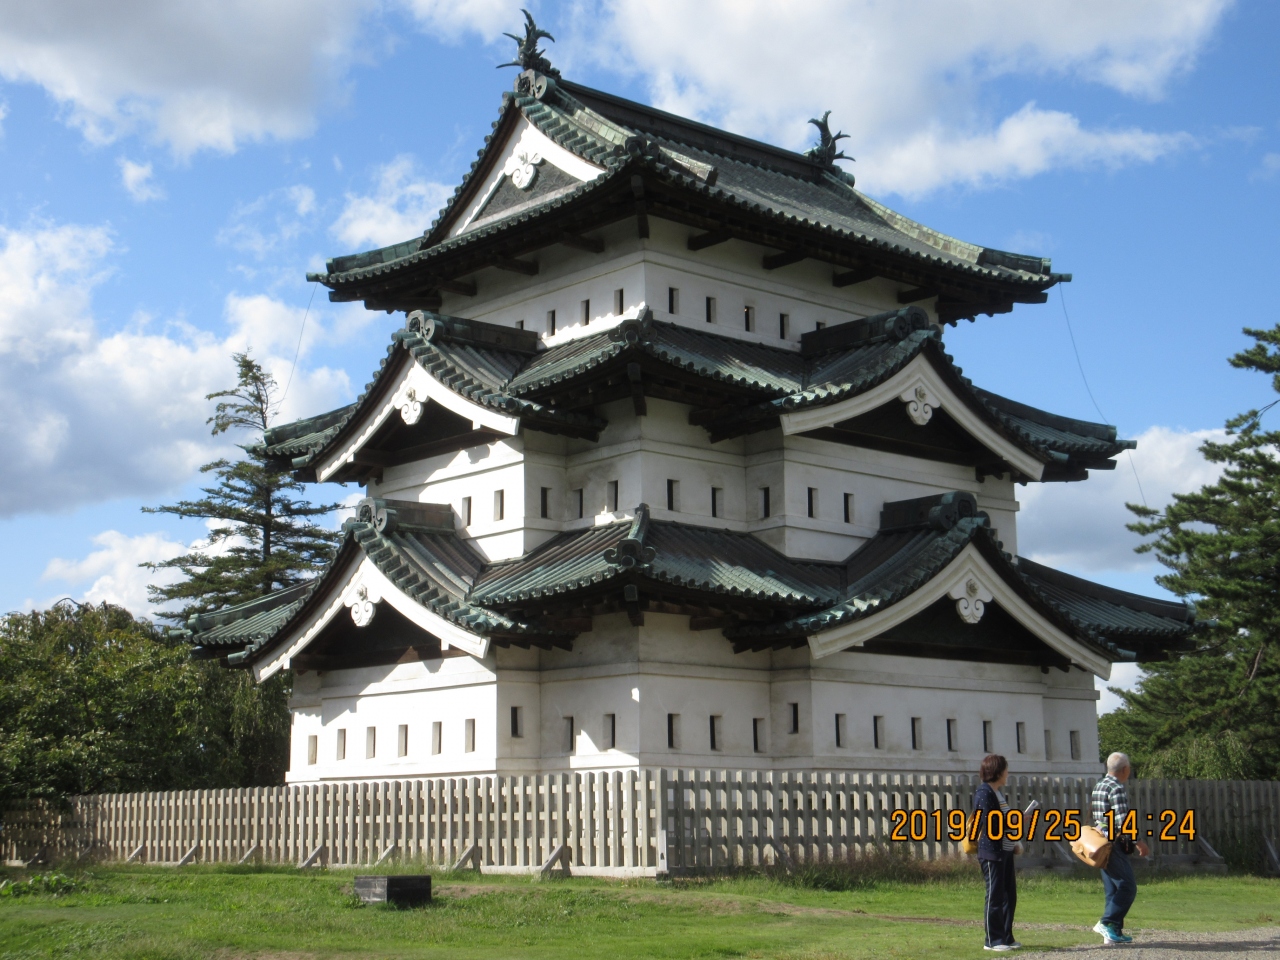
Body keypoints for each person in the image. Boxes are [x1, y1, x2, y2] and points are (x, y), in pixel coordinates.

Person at [1091, 752, 1149, 945]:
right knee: (1128, 886)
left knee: (1112, 889)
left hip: (1100, 843)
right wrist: (1138, 842)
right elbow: (1123, 821)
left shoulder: (1099, 785)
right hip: (1114, 843)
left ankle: (1113, 932)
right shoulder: (1116, 788)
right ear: (1125, 769)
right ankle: (1106, 922)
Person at [974, 754, 1021, 952]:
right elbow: (991, 822)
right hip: (992, 853)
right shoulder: (984, 793)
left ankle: (1006, 937)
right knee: (994, 896)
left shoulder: (998, 793)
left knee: (1009, 896)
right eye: (1005, 769)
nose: (1007, 773)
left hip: (1005, 851)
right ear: (998, 771)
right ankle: (992, 940)